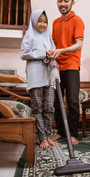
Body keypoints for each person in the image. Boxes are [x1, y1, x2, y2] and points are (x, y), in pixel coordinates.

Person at [51, 0, 85, 145]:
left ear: (72, 2)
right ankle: (60, 132)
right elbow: (53, 44)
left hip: (71, 65)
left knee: (72, 101)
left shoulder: (77, 20)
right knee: (57, 102)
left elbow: (79, 45)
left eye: (66, 0)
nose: (62, 4)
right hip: (56, 68)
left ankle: (72, 133)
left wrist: (62, 50)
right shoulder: (54, 23)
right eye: (60, 0)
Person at [20, 9, 58, 148]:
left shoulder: (48, 36)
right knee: (38, 108)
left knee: (49, 107)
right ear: (34, 21)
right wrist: (43, 53)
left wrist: (52, 54)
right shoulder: (29, 35)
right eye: (40, 21)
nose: (43, 24)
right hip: (35, 76)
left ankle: (47, 136)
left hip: (49, 75)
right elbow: (23, 54)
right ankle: (42, 138)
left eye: (45, 21)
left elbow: (52, 52)